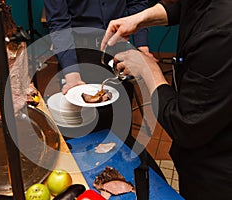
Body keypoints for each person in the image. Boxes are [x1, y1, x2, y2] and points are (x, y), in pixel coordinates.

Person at [101, 1, 232, 199]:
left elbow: (186, 124)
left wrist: (148, 69)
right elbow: (186, 5)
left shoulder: (221, 33)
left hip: (217, 174)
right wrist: (141, 18)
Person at [43, 0, 156, 95]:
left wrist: (142, 46)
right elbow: (58, 22)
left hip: (119, 49)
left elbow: (137, 4)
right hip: (79, 54)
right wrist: (72, 75)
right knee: (87, 117)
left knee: (123, 113)